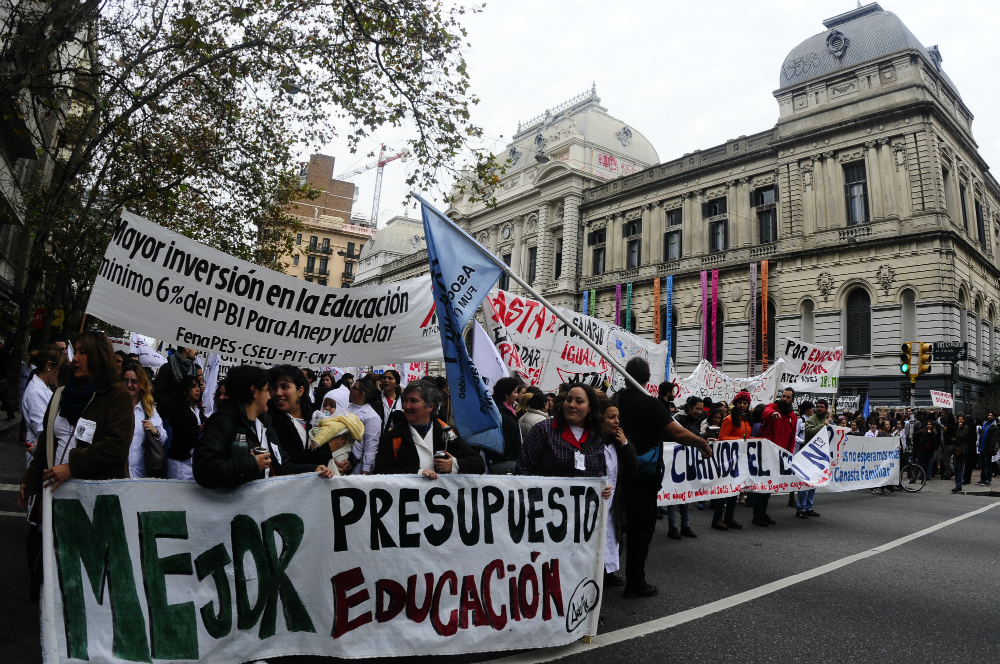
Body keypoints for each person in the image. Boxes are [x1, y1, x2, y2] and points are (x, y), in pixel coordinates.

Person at [20, 332, 134, 600]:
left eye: (83, 352)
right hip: (55, 494)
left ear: (98, 357)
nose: (75, 359)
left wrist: (73, 467)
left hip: (92, 502)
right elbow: (46, 443)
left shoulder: (115, 395)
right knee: (47, 566)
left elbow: (116, 445)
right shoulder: (61, 393)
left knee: (84, 576)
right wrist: (30, 479)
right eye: (76, 352)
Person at [614, 358, 711, 598]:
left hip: (615, 472)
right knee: (640, 529)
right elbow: (677, 433)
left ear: (625, 376)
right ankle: (635, 582)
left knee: (614, 524)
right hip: (642, 476)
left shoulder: (614, 400)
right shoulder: (651, 403)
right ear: (648, 378)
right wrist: (702, 443)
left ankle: (607, 573)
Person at [193, 365, 334, 489]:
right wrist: (251, 463)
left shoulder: (265, 422)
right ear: (254, 391)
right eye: (267, 390)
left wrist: (312, 470)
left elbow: (281, 466)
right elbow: (204, 470)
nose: (270, 396)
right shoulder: (222, 422)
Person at [373, 380, 485, 477]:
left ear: (430, 406)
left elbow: (478, 464)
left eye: (414, 401)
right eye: (405, 400)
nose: (407, 406)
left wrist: (454, 465)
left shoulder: (449, 432)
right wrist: (417, 473)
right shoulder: (391, 437)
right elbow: (380, 471)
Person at [516, 384, 607, 477]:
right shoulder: (543, 430)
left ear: (590, 407)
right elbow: (523, 468)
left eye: (579, 401)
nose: (571, 405)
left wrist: (602, 483)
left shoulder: (596, 436)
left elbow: (599, 471)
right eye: (569, 400)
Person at [267, 365, 343, 470]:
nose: (278, 393)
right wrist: (328, 449)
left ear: (300, 391)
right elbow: (289, 460)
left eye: (285, 387)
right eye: (274, 388)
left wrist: (345, 463)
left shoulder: (316, 413)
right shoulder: (270, 421)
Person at [597, 399, 638, 588]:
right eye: (611, 417)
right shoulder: (592, 443)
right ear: (600, 419)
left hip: (614, 502)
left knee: (612, 538)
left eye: (617, 417)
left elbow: (632, 469)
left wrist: (626, 445)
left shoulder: (617, 443)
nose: (616, 421)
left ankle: (608, 574)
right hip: (597, 502)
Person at [755, 387, 797, 527]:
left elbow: (792, 439)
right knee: (763, 484)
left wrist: (788, 455)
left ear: (792, 400)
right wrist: (772, 414)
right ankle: (758, 515)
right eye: (783, 396)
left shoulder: (793, 417)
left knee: (769, 485)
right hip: (766, 454)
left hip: (779, 456)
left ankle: (762, 512)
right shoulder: (772, 407)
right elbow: (765, 413)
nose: (784, 399)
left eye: (788, 397)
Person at [713, 390, 752, 531]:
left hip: (740, 460)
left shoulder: (747, 419)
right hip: (728, 459)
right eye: (740, 403)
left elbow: (747, 438)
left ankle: (729, 517)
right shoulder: (729, 419)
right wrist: (741, 440)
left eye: (745, 403)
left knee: (735, 489)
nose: (742, 405)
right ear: (735, 404)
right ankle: (717, 519)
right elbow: (722, 438)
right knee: (725, 489)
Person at [668, 395, 704, 539]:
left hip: (689, 462)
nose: (699, 412)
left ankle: (685, 525)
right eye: (697, 409)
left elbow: (695, 436)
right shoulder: (678, 419)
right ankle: (672, 527)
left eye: (701, 409)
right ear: (689, 407)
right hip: (675, 462)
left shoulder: (697, 420)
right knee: (673, 494)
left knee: (686, 493)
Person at [122, 362, 166, 478]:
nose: (129, 385)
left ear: (141, 384)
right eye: (125, 381)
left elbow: (163, 438)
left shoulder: (148, 409)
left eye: (134, 381)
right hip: (118, 472)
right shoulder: (115, 407)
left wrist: (154, 431)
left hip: (140, 473)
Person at [22, 347, 65, 453]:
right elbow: (42, 429)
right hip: (40, 450)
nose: (60, 374)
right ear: (49, 365)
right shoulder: (36, 392)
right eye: (59, 369)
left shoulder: (43, 387)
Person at [167, 375, 204, 480]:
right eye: (193, 386)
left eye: (198, 386)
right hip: (180, 461)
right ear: (184, 390)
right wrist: (199, 430)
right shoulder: (179, 411)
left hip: (193, 460)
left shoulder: (197, 408)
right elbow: (184, 436)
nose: (198, 389)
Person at [346, 377, 384, 474]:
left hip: (355, 464)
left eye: (354, 388)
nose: (350, 389)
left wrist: (366, 469)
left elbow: (371, 445)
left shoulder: (371, 416)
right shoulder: (346, 407)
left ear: (362, 394)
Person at [487, 376, 523, 474]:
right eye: (515, 392)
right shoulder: (497, 412)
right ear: (506, 393)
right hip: (501, 460)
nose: (517, 395)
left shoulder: (509, 410)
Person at [153, 346, 198, 415]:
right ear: (186, 348)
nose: (196, 352)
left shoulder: (194, 370)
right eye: (194, 349)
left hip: (186, 416)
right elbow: (157, 394)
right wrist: (175, 405)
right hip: (168, 416)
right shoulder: (167, 368)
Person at [371, 369, 403, 433]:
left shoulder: (402, 400)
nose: (386, 380)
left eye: (390, 378)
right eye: (384, 378)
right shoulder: (376, 399)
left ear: (397, 384)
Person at [976, 412, 997, 487]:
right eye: (989, 415)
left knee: (988, 464)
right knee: (983, 464)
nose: (990, 416)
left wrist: (991, 447)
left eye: (991, 415)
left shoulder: (994, 427)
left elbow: (994, 438)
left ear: (994, 417)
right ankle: (982, 479)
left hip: (987, 448)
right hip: (982, 447)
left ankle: (988, 480)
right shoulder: (986, 424)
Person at [953, 414, 972, 493]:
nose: (960, 421)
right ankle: (957, 483)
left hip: (962, 449)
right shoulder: (958, 427)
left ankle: (959, 485)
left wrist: (959, 428)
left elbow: (960, 437)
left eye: (961, 419)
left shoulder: (965, 428)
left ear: (964, 420)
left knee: (960, 468)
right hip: (957, 448)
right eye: (959, 419)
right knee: (955, 467)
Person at [0, 337, 15, 421]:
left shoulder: (3, 353)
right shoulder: (4, 353)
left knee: (3, 398)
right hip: (2, 378)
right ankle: (10, 413)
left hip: (2, 378)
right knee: (3, 398)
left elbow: (4, 366)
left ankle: (10, 413)